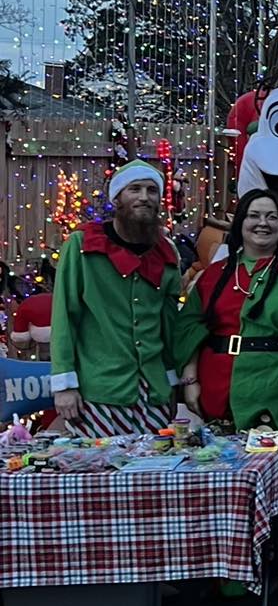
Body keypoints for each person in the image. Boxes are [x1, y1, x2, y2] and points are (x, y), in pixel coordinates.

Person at [176, 189, 278, 434]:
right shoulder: (216, 273)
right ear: (240, 222)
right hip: (217, 391)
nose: (262, 223)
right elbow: (189, 326)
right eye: (254, 215)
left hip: (276, 391)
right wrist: (190, 380)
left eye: (272, 217)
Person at [50, 160, 184, 434]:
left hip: (153, 395)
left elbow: (169, 327)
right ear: (118, 198)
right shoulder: (82, 247)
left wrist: (172, 382)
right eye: (134, 189)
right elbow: (65, 317)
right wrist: (64, 386)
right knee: (98, 473)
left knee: (151, 473)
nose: (144, 197)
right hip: (99, 393)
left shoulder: (167, 254)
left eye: (151, 190)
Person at [9, 260, 53, 359]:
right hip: (61, 332)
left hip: (41, 332)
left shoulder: (26, 305)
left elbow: (20, 330)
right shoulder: (58, 299)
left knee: (45, 353)